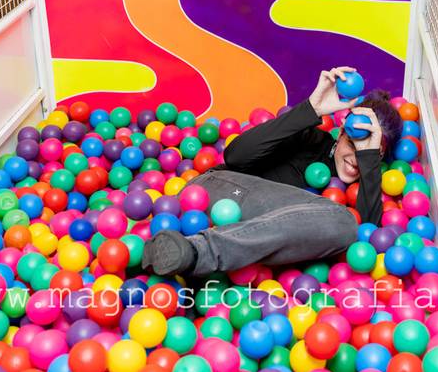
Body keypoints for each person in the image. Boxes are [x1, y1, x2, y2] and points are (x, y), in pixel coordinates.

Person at [141, 67, 402, 277]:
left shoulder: (363, 188)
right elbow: (235, 156)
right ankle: (196, 252)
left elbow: (368, 236)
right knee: (343, 221)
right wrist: (310, 110)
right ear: (342, 131)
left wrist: (370, 159)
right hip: (214, 192)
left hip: (242, 252)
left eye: (370, 153)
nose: (356, 160)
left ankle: (177, 257)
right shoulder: (309, 139)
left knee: (345, 225)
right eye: (353, 145)